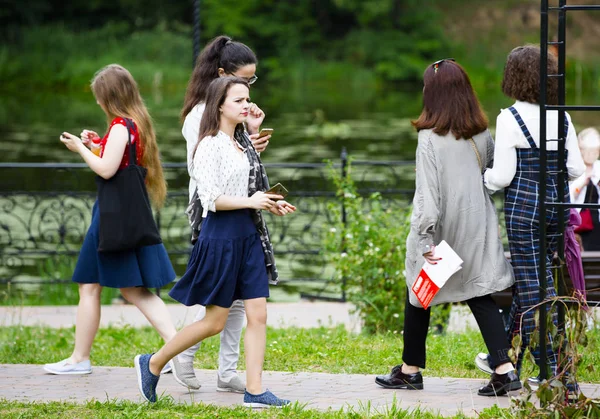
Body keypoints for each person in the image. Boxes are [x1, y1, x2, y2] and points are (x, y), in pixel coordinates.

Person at [134, 77, 294, 408]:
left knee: (258, 314)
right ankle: (152, 363)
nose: (246, 105)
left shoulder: (241, 143)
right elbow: (211, 199)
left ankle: (255, 389)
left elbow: (246, 189)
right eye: (239, 100)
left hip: (248, 236)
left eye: (247, 98)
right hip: (221, 237)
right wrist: (252, 202)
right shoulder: (209, 144)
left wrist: (267, 202)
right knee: (214, 321)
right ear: (219, 104)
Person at [375, 59, 520, 397]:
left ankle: (411, 371)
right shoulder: (481, 133)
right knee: (479, 292)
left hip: (442, 230)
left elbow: (427, 196)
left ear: (433, 93)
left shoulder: (429, 138)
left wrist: (424, 237)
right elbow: (488, 174)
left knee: (418, 291)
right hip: (477, 223)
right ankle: (504, 368)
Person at [45, 64, 182, 377]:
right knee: (113, 287)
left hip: (111, 216)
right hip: (117, 213)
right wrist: (97, 144)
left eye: (99, 97)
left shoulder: (121, 126)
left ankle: (82, 359)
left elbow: (107, 170)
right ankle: (174, 349)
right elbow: (121, 161)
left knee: (107, 288)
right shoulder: (136, 124)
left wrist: (80, 148)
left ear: (109, 97)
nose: (97, 103)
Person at [173, 35, 282, 392]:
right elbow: (207, 170)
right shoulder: (200, 118)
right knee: (211, 289)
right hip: (212, 211)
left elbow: (242, 165)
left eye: (252, 84)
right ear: (223, 76)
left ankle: (228, 372)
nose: (249, 92)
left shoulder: (234, 112)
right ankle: (180, 357)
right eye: (244, 83)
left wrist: (251, 136)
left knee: (240, 299)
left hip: (241, 209)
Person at [477, 45, 585, 389]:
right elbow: (575, 169)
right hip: (557, 208)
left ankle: (555, 373)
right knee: (536, 283)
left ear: (513, 76)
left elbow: (503, 176)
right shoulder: (562, 116)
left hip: (524, 209)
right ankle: (501, 355)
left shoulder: (510, 117)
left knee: (536, 289)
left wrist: (483, 178)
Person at [570, 127, 600, 251]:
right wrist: (583, 183)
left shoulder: (598, 167)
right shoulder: (575, 168)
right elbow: (569, 195)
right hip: (579, 222)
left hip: (596, 220)